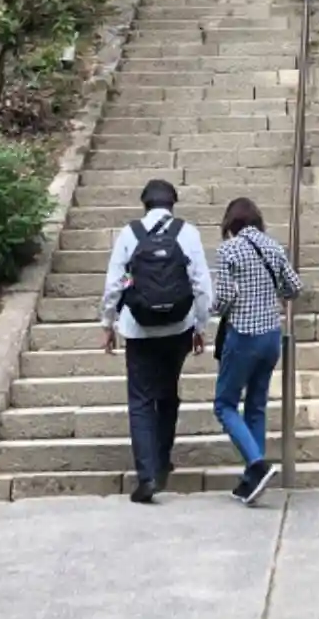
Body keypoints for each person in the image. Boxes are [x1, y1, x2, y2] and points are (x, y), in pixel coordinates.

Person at [101, 179, 212, 503]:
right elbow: (202, 285)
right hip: (178, 327)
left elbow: (114, 283)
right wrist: (201, 327)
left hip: (138, 328)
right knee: (167, 394)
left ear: (145, 203)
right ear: (172, 204)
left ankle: (147, 476)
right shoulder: (187, 233)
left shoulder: (130, 233)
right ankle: (162, 462)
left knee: (140, 400)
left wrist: (108, 323)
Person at [211, 197, 303, 505]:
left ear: (230, 222)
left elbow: (224, 296)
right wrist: (274, 292)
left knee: (224, 404)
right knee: (256, 405)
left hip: (243, 336)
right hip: (271, 337)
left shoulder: (229, 249)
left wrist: (213, 308)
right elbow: (294, 287)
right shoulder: (273, 246)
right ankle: (253, 480)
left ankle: (257, 464)